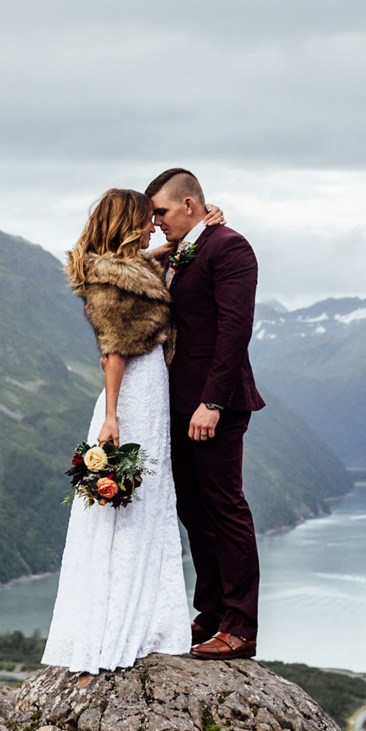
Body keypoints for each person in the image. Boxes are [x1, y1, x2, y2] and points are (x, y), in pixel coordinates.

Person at [41, 188, 194, 677]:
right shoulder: (112, 280)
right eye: (146, 219)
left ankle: (149, 615)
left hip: (147, 391)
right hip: (130, 397)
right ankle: (122, 623)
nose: (154, 226)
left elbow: (148, 261)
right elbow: (112, 351)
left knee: (149, 498)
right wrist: (111, 416)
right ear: (129, 221)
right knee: (135, 500)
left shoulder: (122, 269)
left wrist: (204, 224)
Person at [146, 167, 265, 661]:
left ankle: (241, 626)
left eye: (161, 212)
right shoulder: (185, 247)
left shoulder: (231, 248)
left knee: (225, 508)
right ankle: (211, 613)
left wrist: (212, 403)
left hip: (215, 404)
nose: (155, 223)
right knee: (193, 510)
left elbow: (234, 331)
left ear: (190, 205)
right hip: (178, 403)